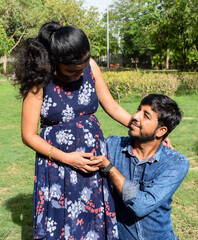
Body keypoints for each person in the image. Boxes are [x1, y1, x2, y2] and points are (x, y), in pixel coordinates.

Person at [13, 21, 133, 239]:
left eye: (83, 66)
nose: (80, 73)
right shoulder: (40, 80)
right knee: (63, 222)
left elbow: (113, 107)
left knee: (93, 220)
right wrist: (68, 159)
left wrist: (146, 131)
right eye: (73, 70)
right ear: (54, 61)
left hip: (92, 160)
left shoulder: (90, 67)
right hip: (58, 165)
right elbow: (28, 135)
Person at [91, 94, 189, 240]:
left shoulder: (176, 163)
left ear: (161, 131)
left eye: (146, 115)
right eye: (138, 110)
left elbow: (141, 206)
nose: (135, 116)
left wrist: (110, 168)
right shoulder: (112, 146)